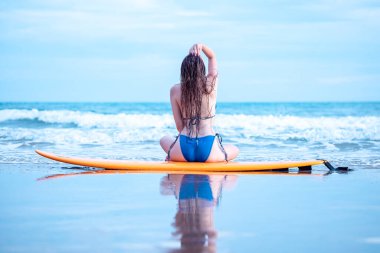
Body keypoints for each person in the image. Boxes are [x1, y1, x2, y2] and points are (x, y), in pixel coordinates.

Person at [160, 43, 239, 162]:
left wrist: (174, 150)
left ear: (183, 70)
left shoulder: (175, 90)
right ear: (202, 69)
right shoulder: (210, 85)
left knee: (164, 139)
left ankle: (174, 155)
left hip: (183, 150)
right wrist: (200, 46)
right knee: (235, 149)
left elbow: (179, 126)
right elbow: (212, 57)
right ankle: (217, 157)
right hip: (209, 151)